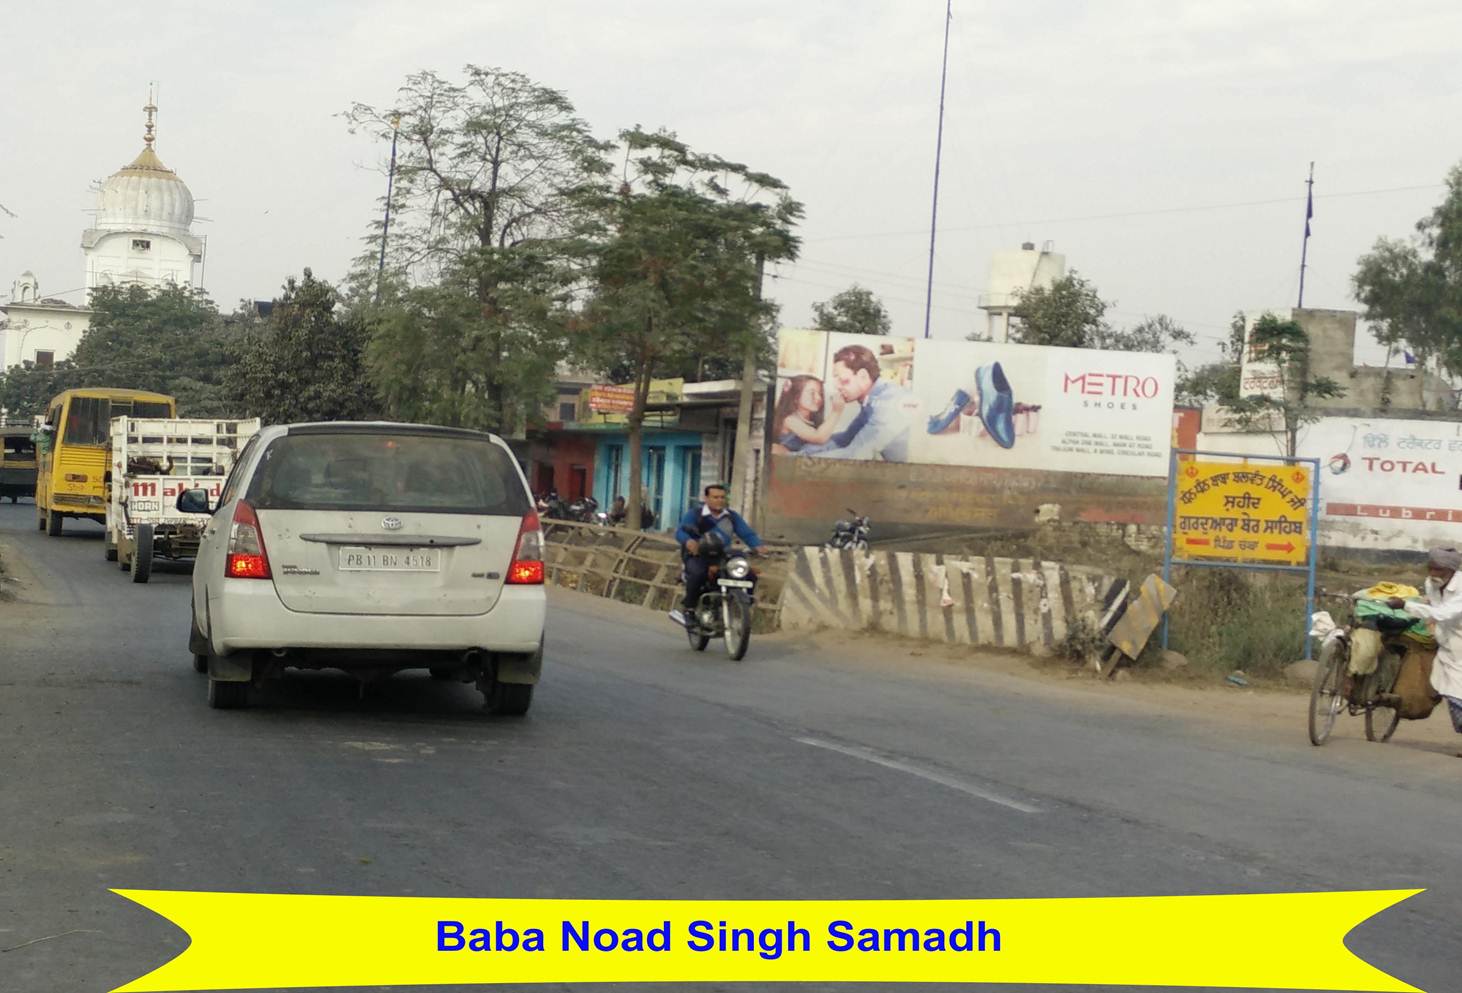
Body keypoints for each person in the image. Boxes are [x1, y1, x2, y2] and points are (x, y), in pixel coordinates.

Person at [1392, 546, 1462, 752]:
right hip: (1448, 646)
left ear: (1451, 570)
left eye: (1438, 570)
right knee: (1452, 694)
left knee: (1457, 695)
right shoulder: (1431, 584)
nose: (1432, 574)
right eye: (1430, 568)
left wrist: (1404, 605)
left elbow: (1442, 614)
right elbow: (1431, 604)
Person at [670, 483, 762, 628]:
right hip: (699, 555)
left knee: (748, 574)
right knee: (698, 574)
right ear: (706, 498)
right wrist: (689, 542)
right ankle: (689, 610)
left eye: (722, 497)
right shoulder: (695, 514)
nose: (719, 500)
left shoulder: (731, 517)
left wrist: (758, 546)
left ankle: (743, 606)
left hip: (723, 556)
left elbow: (747, 533)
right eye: (715, 497)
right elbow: (680, 532)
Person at [798, 344, 911, 461]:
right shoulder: (871, 399)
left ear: (862, 376)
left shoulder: (888, 401)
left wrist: (796, 459)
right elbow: (845, 439)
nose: (837, 387)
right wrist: (802, 451)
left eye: (842, 380)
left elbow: (855, 454)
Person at [772, 375, 846, 452]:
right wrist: (836, 411)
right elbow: (818, 438)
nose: (818, 398)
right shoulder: (789, 420)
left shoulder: (812, 420)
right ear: (796, 397)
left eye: (820, 393)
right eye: (812, 393)